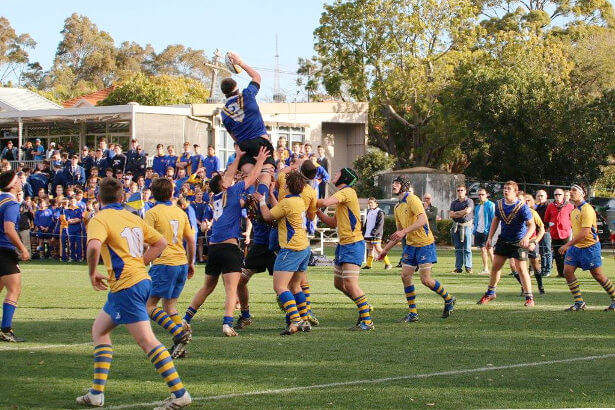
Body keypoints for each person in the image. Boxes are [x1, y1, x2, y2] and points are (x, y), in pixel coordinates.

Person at [76, 177, 191, 408]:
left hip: (126, 286)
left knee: (148, 341)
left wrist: (92, 273)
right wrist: (141, 261)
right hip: (137, 281)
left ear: (99, 198)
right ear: (122, 198)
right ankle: (96, 393)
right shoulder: (132, 216)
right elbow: (160, 243)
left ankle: (180, 395)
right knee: (99, 330)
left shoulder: (99, 218)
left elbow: (93, 246)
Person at [183, 147, 268, 337]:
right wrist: (261, 160)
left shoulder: (215, 198)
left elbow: (229, 175)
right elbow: (253, 176)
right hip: (229, 247)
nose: (229, 176)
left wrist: (237, 157)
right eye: (225, 178)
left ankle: (185, 319)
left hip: (213, 248)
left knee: (207, 287)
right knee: (231, 289)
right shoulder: (233, 191)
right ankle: (227, 324)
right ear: (224, 185)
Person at [380, 176, 456, 321]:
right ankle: (413, 313)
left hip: (424, 244)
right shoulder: (397, 207)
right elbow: (399, 233)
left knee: (425, 280)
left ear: (404, 186)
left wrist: (404, 231)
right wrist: (385, 250)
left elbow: (423, 220)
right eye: (393, 183)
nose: (393, 186)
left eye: (397, 183)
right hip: (410, 245)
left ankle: (448, 298)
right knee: (405, 276)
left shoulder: (412, 199)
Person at [255, 171, 312, 335]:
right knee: (295, 287)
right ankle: (305, 319)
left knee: (280, 287)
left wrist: (261, 201)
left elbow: (267, 215)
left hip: (291, 249)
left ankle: (295, 320)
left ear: (287, 185)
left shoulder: (288, 203)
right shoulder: (298, 200)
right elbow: (280, 207)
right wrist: (272, 193)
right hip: (303, 248)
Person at [316, 168, 374, 331]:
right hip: (343, 244)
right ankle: (364, 306)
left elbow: (325, 202)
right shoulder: (343, 196)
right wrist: (317, 212)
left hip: (353, 244)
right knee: (339, 284)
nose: (334, 175)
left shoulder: (347, 191)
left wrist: (305, 199)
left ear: (345, 177)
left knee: (349, 283)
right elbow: (334, 223)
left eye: (337, 174)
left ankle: (367, 321)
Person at [144, 178, 195, 359]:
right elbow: (190, 239)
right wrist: (190, 262)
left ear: (153, 193)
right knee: (169, 306)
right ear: (172, 193)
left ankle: (178, 332)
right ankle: (179, 342)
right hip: (180, 263)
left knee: (149, 306)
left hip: (164, 263)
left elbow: (146, 240)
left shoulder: (152, 213)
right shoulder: (180, 212)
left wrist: (140, 260)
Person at [220, 52, 277, 201]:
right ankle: (261, 196)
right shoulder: (247, 95)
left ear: (224, 93)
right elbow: (257, 77)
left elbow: (234, 136)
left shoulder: (224, 113)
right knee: (266, 173)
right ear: (237, 87)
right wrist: (241, 62)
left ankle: (248, 199)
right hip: (260, 142)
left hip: (243, 147)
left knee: (251, 177)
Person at [477, 181, 536, 307]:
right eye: (504, 188)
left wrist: (526, 237)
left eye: (509, 189)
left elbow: (532, 224)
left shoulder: (522, 207)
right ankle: (490, 293)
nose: (506, 190)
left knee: (521, 269)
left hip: (518, 241)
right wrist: (490, 238)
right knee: (495, 266)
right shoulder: (499, 204)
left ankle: (529, 297)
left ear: (515, 191)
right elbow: (496, 220)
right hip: (503, 239)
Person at [559, 184, 615, 311]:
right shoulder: (573, 211)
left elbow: (585, 233)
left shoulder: (587, 209)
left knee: (598, 275)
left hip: (590, 247)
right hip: (576, 247)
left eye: (574, 190)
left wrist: (567, 245)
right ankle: (579, 302)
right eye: (570, 190)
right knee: (567, 272)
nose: (571, 192)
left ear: (582, 194)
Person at [0, 170, 31, 343]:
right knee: (14, 289)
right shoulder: (11, 203)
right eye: (18, 179)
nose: (20, 181)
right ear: (12, 185)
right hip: (4, 250)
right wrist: (23, 248)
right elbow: (9, 229)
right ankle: (5, 330)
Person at [544, 188, 574, 277]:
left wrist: (568, 225)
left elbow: (572, 218)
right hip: (554, 233)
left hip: (566, 233)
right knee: (557, 254)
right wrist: (551, 225)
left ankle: (567, 272)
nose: (557, 196)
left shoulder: (569, 206)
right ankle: (560, 273)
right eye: (555, 195)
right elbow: (546, 218)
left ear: (563, 195)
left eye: (559, 194)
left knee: (567, 253)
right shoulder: (550, 206)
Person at [362, 197, 392, 270]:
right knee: (370, 249)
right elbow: (367, 223)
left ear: (376, 203)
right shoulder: (369, 211)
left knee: (378, 249)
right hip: (368, 234)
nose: (370, 204)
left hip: (376, 234)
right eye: (369, 203)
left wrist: (375, 232)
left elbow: (380, 224)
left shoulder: (380, 212)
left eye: (371, 203)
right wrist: (364, 231)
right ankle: (369, 265)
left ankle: (388, 264)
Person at [449, 185, 474, 273]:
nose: (460, 192)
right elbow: (451, 214)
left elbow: (468, 211)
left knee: (467, 248)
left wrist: (457, 213)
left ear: (465, 191)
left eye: (461, 190)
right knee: (458, 248)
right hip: (456, 226)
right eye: (458, 190)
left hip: (466, 226)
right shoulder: (454, 203)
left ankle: (468, 267)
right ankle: (458, 267)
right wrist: (461, 213)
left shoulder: (469, 201)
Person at [473, 188, 495, 274]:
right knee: (483, 250)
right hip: (479, 230)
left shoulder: (490, 205)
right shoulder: (478, 206)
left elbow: (494, 219)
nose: (481, 196)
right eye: (479, 195)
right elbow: (476, 219)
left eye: (482, 194)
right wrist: (475, 230)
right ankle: (485, 268)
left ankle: (495, 268)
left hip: (487, 231)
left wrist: (491, 231)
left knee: (489, 249)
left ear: (486, 195)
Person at [534, 190, 552, 277]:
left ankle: (548, 269)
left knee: (547, 251)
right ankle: (543, 269)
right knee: (541, 251)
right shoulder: (537, 207)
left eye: (542, 196)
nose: (540, 197)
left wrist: (546, 229)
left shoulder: (548, 206)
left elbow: (550, 219)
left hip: (546, 231)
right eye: (538, 196)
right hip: (538, 231)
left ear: (546, 196)